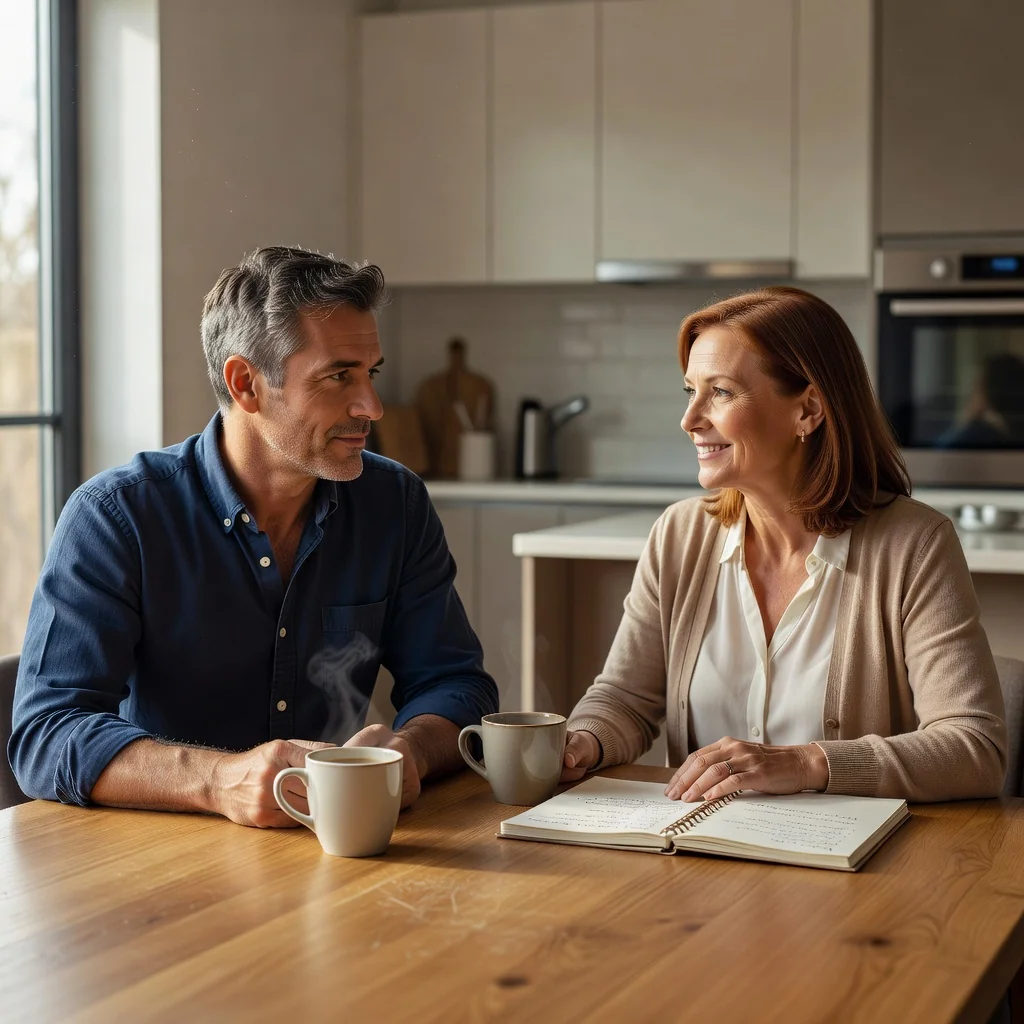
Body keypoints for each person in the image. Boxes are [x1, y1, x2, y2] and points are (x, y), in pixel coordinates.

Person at [9, 247, 498, 826]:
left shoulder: (394, 502)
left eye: (371, 374)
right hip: (154, 861)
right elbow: (46, 735)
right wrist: (220, 781)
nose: (371, 405)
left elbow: (455, 683)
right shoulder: (115, 518)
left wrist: (412, 749)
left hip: (337, 850)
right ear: (246, 384)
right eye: (339, 376)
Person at [560, 286, 1007, 803]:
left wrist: (805, 763)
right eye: (690, 391)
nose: (690, 419)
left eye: (721, 392)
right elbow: (625, 698)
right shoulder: (679, 536)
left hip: (860, 872)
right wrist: (583, 742)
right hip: (700, 860)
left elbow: (976, 748)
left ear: (808, 410)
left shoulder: (915, 545)